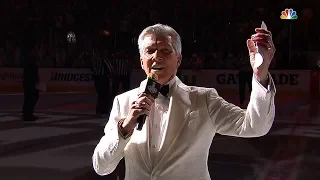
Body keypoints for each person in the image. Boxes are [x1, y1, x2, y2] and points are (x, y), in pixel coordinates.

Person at [92, 24, 276, 180]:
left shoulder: (204, 99)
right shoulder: (123, 102)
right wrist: (125, 127)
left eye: (165, 50)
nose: (157, 56)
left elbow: (254, 126)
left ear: (178, 59)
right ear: (141, 61)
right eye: (150, 51)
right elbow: (101, 166)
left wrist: (260, 75)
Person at [22, 42, 40, 121]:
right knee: (30, 97)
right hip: (29, 82)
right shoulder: (29, 59)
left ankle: (28, 113)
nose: (36, 51)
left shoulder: (32, 58)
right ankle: (27, 114)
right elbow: (29, 71)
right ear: (32, 50)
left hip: (31, 81)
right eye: (35, 49)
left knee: (32, 97)